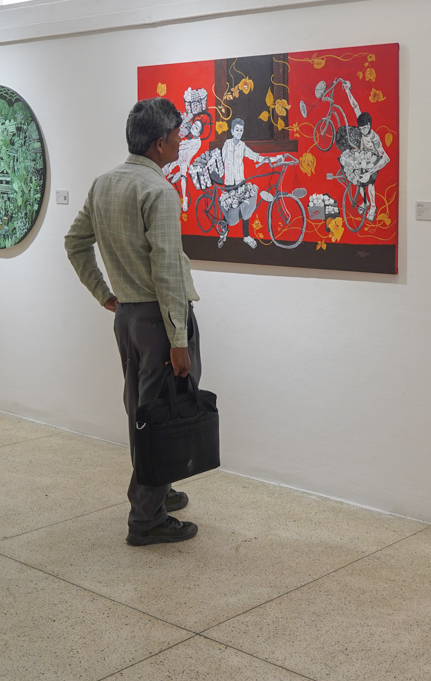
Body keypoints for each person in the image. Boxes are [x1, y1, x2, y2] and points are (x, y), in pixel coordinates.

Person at [65, 97, 201, 546]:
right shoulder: (158, 192)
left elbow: (75, 242)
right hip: (160, 321)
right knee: (161, 414)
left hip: (128, 318)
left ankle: (157, 490)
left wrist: (104, 293)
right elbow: (166, 269)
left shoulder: (105, 183)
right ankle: (146, 517)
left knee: (144, 413)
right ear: (160, 143)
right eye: (178, 135)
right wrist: (179, 339)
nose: (182, 141)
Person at [218, 117, 273, 248]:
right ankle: (223, 234)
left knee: (245, 210)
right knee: (229, 209)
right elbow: (221, 160)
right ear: (232, 131)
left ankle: (246, 236)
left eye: (241, 130)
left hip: (240, 183)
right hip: (229, 184)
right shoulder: (227, 144)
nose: (239, 132)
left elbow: (254, 156)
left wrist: (269, 159)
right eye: (236, 130)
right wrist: (218, 177)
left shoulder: (243, 146)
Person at [337, 112, 390, 221]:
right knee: (359, 182)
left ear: (369, 125)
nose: (363, 131)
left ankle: (373, 207)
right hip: (362, 160)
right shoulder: (361, 130)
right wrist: (347, 93)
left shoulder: (375, 138)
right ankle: (365, 203)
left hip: (373, 163)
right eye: (361, 129)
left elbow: (386, 158)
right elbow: (355, 107)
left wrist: (369, 173)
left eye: (365, 128)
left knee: (370, 183)